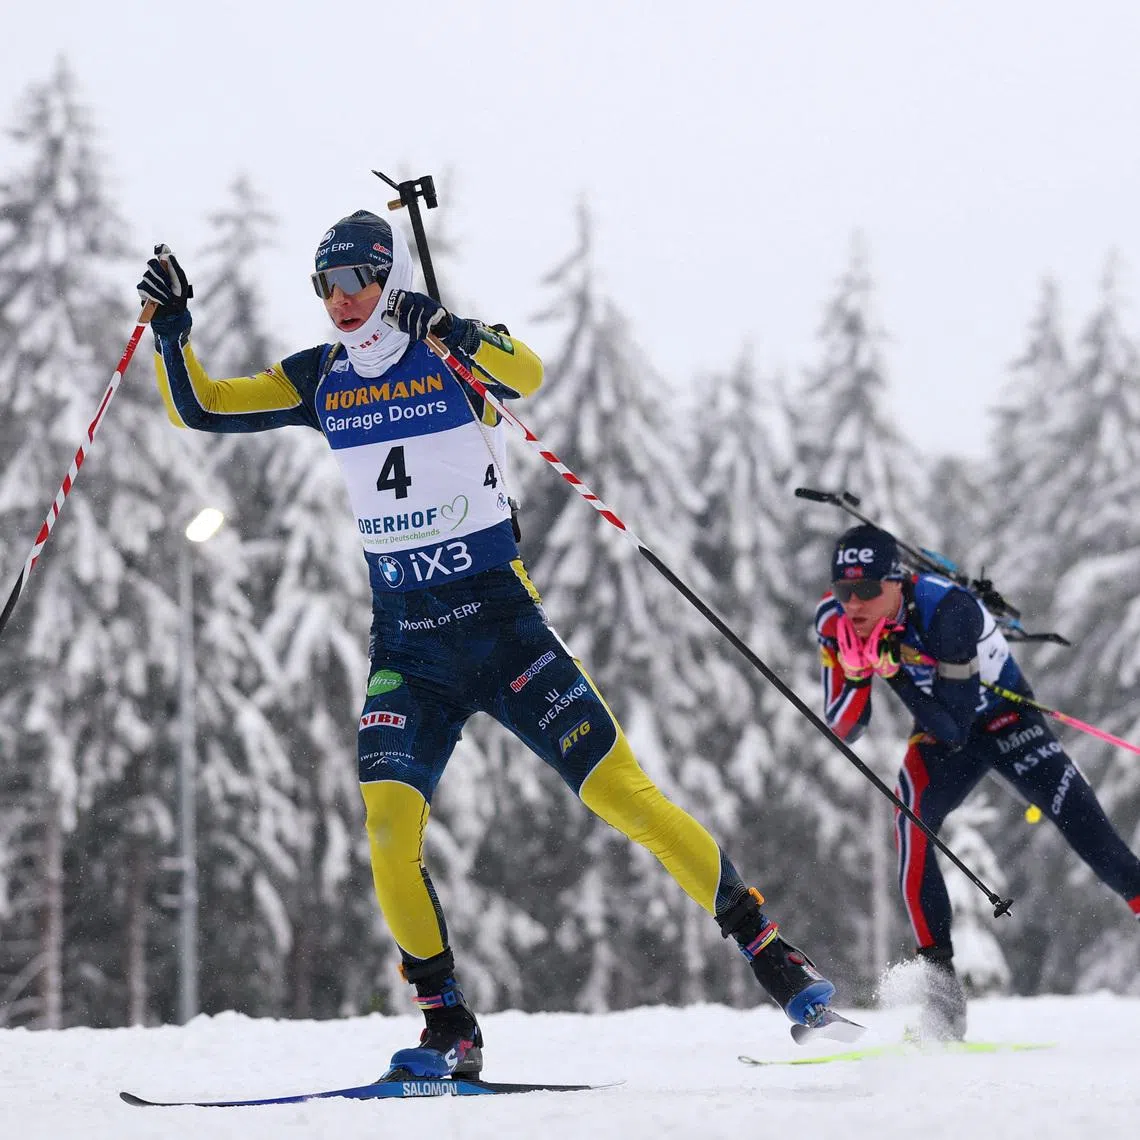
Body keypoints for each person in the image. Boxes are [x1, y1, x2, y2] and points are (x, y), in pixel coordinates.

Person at [136, 211, 839, 1078]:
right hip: (411, 653)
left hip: (505, 634)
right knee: (388, 833)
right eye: (326, 286)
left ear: (389, 277)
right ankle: (448, 1028)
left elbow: (527, 371)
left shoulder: (447, 355)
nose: (342, 301)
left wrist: (453, 327)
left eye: (357, 279)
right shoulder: (319, 379)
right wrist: (173, 329)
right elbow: (201, 407)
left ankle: (777, 959)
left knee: (624, 796)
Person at [815, 523, 1140, 1040]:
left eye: (868, 590)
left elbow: (956, 727)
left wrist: (891, 668)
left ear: (897, 583)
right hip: (943, 734)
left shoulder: (948, 610)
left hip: (1004, 723)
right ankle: (943, 1002)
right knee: (911, 823)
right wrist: (856, 674)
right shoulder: (834, 623)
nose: (854, 605)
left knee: (1098, 844)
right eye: (843, 590)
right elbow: (845, 726)